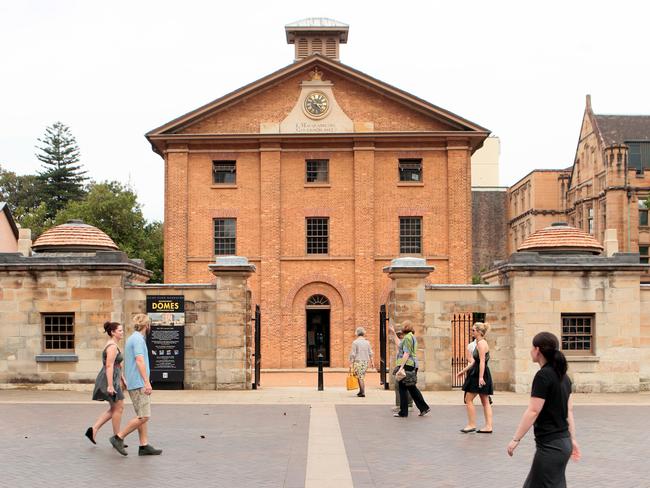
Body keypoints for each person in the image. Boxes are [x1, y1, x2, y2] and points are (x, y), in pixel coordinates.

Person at [507, 332, 580, 487]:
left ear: (537, 349)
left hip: (551, 446)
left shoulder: (543, 376)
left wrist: (515, 439)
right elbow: (569, 411)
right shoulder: (564, 376)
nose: (530, 351)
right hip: (562, 444)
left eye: (531, 347)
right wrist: (572, 440)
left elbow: (533, 411)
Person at [110, 314, 162, 456]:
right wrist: (146, 382)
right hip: (139, 383)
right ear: (147, 326)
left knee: (141, 415)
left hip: (134, 382)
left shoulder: (132, 338)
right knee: (144, 416)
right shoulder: (139, 340)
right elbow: (139, 360)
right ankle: (118, 437)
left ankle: (144, 445)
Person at [86, 322, 126, 445]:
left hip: (114, 378)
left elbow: (117, 365)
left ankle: (94, 430)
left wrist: (123, 379)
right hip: (109, 379)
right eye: (119, 330)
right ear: (113, 332)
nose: (122, 332)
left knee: (114, 408)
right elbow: (109, 366)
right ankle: (117, 438)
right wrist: (110, 385)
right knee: (118, 408)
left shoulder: (114, 345)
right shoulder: (112, 346)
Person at [457, 322, 493, 433]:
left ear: (479, 332)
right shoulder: (479, 343)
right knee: (485, 401)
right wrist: (463, 371)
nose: (471, 332)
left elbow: (482, 362)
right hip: (479, 373)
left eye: (473, 330)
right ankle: (488, 426)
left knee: (469, 399)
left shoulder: (481, 344)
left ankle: (472, 424)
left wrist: (481, 378)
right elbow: (474, 362)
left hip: (479, 374)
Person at [393, 321, 430, 418]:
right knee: (411, 387)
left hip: (407, 365)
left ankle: (404, 412)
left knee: (403, 388)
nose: (401, 327)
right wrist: (393, 333)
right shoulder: (409, 337)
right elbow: (399, 345)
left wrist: (401, 367)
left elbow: (406, 353)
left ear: (406, 327)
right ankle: (423, 408)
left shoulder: (408, 338)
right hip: (410, 365)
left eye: (402, 326)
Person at [388, 324, 412, 412]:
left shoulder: (405, 341)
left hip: (404, 366)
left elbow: (399, 344)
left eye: (400, 335)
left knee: (401, 385)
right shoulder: (405, 341)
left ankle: (404, 405)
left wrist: (393, 333)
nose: (399, 337)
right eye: (398, 335)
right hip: (402, 366)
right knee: (403, 385)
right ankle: (404, 404)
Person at [349, 327, 374, 397]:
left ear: (357, 333)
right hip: (365, 362)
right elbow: (370, 353)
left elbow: (353, 354)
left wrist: (351, 363)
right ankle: (360, 391)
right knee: (361, 376)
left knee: (360, 377)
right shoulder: (367, 342)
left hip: (358, 361)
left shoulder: (355, 342)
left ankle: (362, 392)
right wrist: (372, 362)